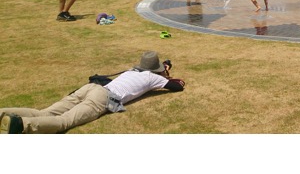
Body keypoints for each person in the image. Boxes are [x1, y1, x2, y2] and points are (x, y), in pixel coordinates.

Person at [0, 51, 185, 134]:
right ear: (158, 69)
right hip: (103, 98)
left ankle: (3, 113)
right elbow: (177, 86)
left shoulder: (133, 70)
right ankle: (20, 125)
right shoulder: (155, 78)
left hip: (91, 88)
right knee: (64, 122)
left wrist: (162, 69)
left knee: (45, 112)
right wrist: (165, 74)